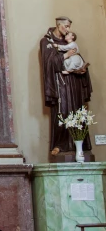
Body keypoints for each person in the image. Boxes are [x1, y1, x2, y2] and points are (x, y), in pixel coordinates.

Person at [40, 16, 92, 155]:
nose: (68, 29)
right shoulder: (47, 42)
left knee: (77, 112)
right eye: (66, 26)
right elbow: (49, 63)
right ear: (58, 25)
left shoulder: (70, 41)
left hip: (74, 82)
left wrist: (82, 70)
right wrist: (65, 55)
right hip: (60, 84)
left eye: (69, 27)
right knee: (62, 113)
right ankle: (60, 145)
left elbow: (78, 58)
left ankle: (79, 146)